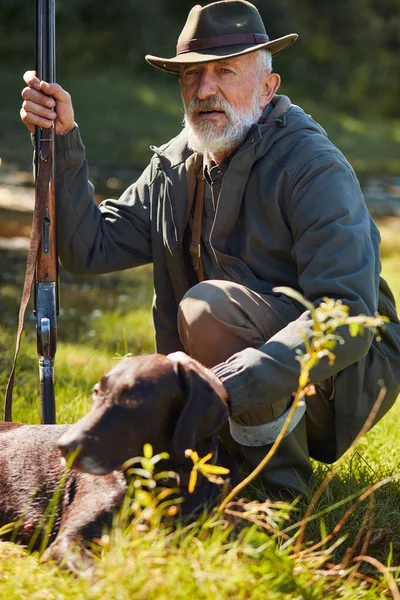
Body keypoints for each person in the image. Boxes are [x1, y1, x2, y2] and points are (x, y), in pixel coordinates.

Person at [20, 0, 400, 499]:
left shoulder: (313, 167)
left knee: (208, 309)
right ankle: (219, 468)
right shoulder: (176, 165)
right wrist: (63, 142)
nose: (205, 89)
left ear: (267, 88)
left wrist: (221, 385)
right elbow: (88, 249)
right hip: (244, 379)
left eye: (225, 71)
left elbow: (347, 316)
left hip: (346, 379)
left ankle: (276, 499)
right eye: (192, 75)